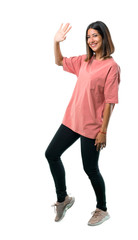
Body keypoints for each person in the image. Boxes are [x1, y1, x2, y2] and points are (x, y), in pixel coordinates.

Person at [45, 21, 121, 226]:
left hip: (92, 127)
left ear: (104, 37)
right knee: (51, 154)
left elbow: (110, 101)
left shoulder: (111, 67)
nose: (91, 40)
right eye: (88, 37)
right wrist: (56, 42)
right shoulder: (85, 60)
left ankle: (102, 209)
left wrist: (103, 131)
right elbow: (59, 61)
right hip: (71, 120)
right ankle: (63, 200)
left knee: (90, 169)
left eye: (95, 35)